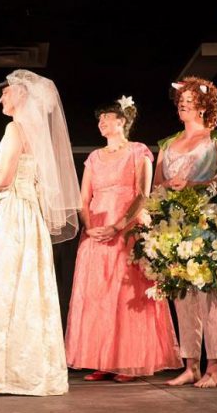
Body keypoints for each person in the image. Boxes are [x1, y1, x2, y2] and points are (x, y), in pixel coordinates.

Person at [0, 69, 81, 396]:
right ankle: (29, 372)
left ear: (22, 95)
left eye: (6, 92)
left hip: (13, 215)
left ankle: (2, 374)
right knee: (27, 288)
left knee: (5, 286)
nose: (1, 97)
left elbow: (4, 179)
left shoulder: (15, 128)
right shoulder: (34, 132)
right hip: (28, 215)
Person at [65, 97, 182, 382]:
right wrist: (90, 227)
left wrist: (118, 225)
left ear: (122, 121)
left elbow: (143, 194)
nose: (101, 123)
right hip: (97, 230)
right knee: (98, 296)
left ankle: (129, 361)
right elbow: (83, 198)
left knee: (126, 295)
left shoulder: (138, 151)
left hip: (127, 228)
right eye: (100, 119)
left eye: (107, 117)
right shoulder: (93, 157)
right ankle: (102, 359)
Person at [153, 77, 217, 388]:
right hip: (175, 226)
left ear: (204, 105)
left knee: (211, 296)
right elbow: (156, 183)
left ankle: (214, 368)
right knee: (182, 295)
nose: (183, 102)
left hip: (209, 223)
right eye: (181, 98)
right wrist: (167, 190)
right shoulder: (167, 143)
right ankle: (191, 366)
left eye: (190, 99)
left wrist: (194, 185)